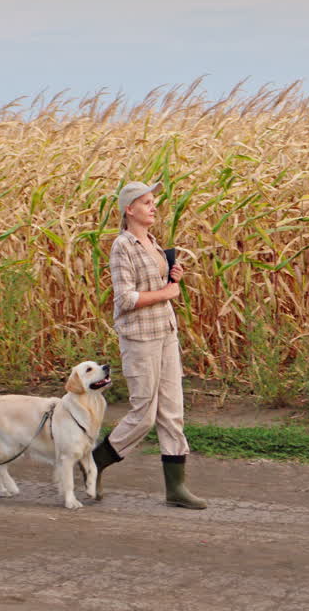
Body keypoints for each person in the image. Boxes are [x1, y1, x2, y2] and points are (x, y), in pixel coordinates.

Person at [90, 181, 206, 509]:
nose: (153, 207)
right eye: (146, 202)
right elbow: (125, 298)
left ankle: (175, 489)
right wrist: (166, 294)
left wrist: (172, 278)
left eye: (154, 202)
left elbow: (155, 287)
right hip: (140, 337)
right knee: (144, 414)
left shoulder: (153, 242)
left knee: (172, 412)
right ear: (129, 209)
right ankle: (94, 462)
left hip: (166, 332)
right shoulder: (122, 246)